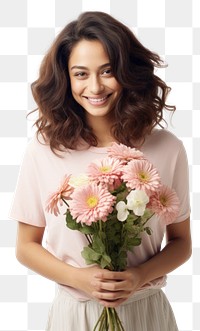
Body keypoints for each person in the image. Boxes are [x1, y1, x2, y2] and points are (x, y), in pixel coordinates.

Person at [10, 11, 191, 331]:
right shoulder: (44, 149)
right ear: (66, 78)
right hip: (74, 315)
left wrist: (139, 277)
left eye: (107, 71)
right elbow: (25, 246)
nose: (95, 86)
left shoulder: (167, 148)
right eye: (81, 74)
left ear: (126, 72)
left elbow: (181, 243)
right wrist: (78, 278)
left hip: (144, 311)